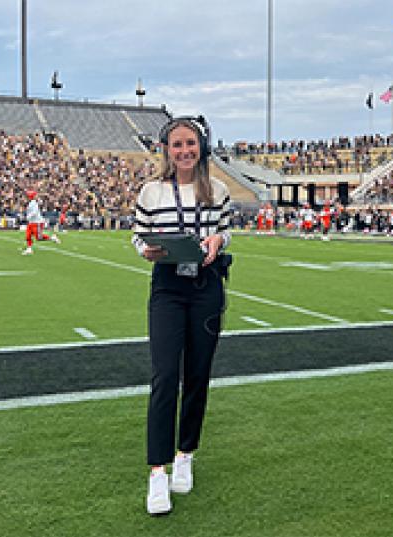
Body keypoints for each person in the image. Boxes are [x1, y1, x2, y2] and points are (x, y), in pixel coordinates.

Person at [131, 116, 233, 516]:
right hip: (168, 286)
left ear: (201, 148)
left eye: (191, 144)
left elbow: (226, 231)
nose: (185, 151)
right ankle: (158, 470)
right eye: (177, 145)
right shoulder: (152, 191)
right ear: (166, 150)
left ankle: (185, 453)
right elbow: (138, 234)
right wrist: (146, 250)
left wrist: (217, 239)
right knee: (164, 377)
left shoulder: (219, 190)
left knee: (197, 374)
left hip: (206, 286)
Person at [20, 190, 61, 255]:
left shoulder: (33, 203)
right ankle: (29, 249)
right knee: (28, 236)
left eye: (27, 196)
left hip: (37, 222)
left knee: (39, 237)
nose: (26, 198)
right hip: (31, 222)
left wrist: (27, 217)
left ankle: (52, 238)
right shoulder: (31, 202)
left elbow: (34, 212)